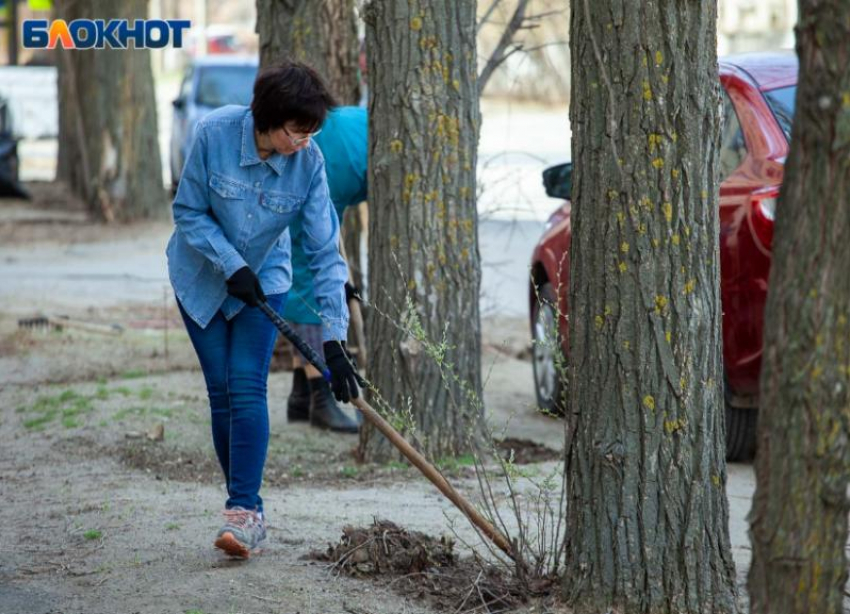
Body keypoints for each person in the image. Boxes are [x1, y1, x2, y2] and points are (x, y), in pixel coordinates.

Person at [166, 61, 364, 559]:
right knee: (222, 391)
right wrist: (230, 262)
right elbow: (187, 210)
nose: (303, 142)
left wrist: (335, 343)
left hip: (264, 283)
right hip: (202, 278)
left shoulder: (310, 162)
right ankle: (246, 506)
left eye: (311, 132)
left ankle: (243, 511)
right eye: (296, 131)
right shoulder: (212, 133)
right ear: (267, 118)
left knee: (247, 382)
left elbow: (324, 253)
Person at [283, 106, 367, 433]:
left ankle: (301, 393)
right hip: (340, 155)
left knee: (308, 268)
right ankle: (320, 395)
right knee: (309, 273)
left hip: (341, 144)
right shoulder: (341, 160)